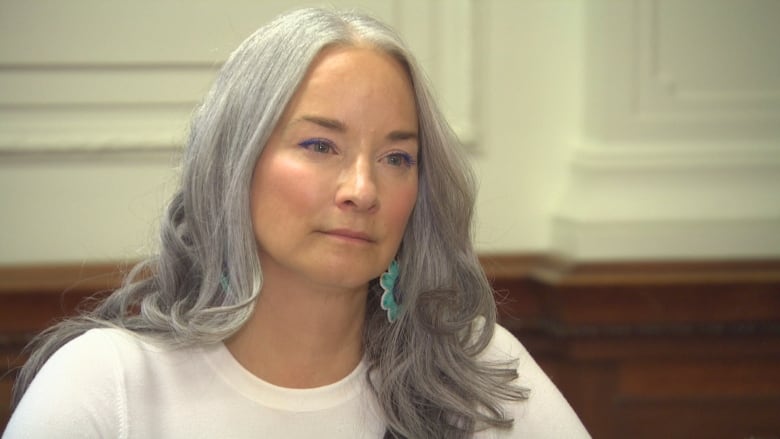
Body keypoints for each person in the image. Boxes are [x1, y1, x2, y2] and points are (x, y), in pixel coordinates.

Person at [4, 8, 589, 439]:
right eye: (319, 144)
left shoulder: (478, 374)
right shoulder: (109, 385)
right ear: (236, 162)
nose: (362, 189)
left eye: (396, 158)